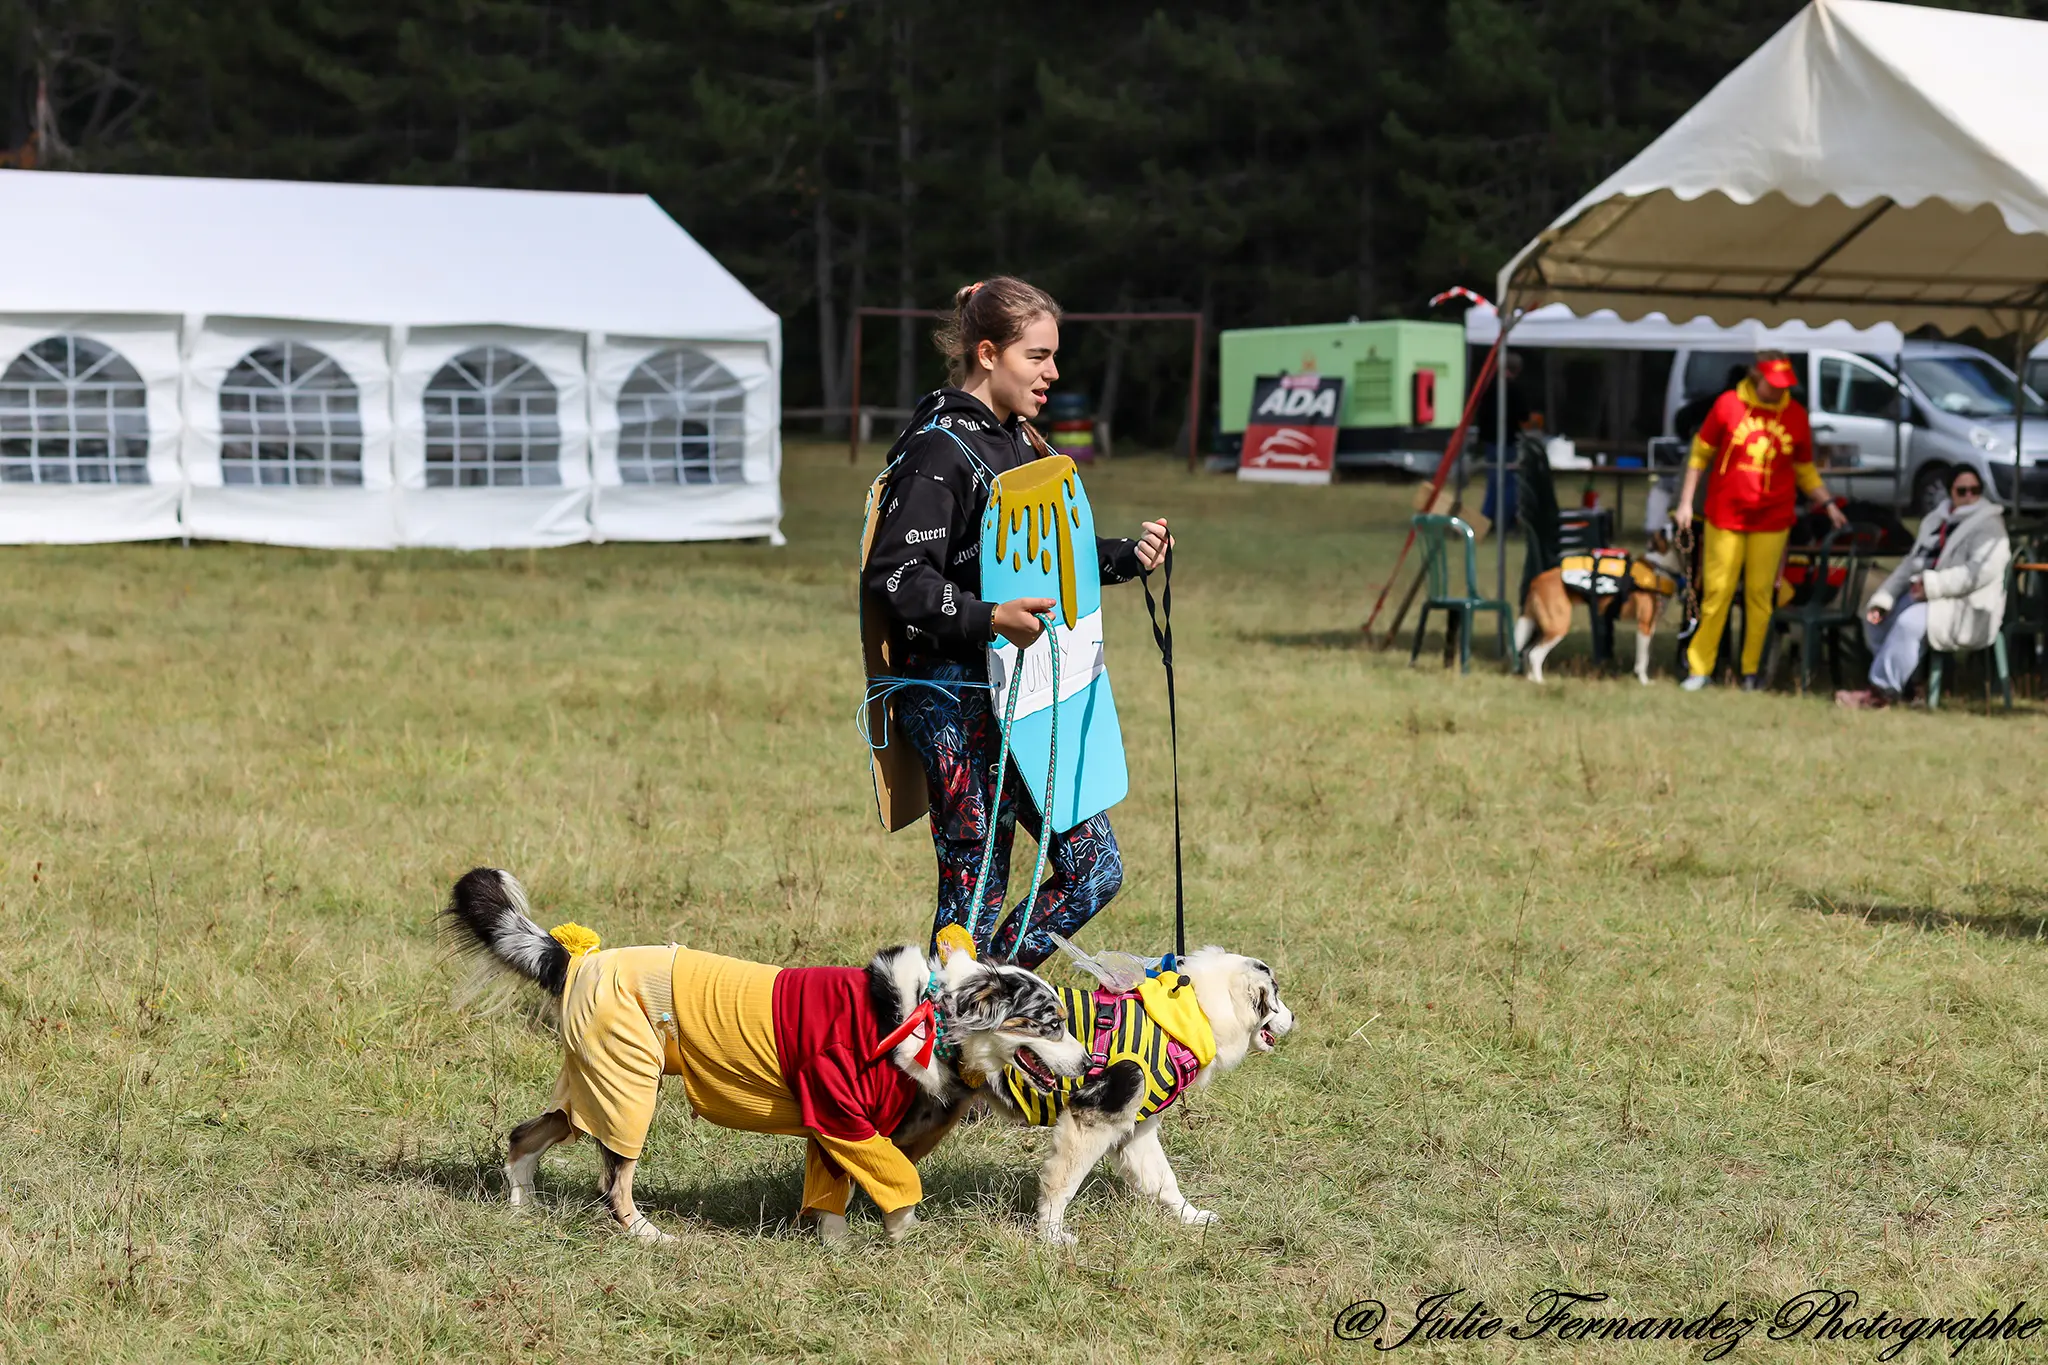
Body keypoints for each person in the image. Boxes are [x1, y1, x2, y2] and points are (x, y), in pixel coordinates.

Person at [863, 277, 1171, 968]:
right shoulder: (939, 448)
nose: (1053, 373)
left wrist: (1127, 557)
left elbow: (1043, 555)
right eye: (1037, 356)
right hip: (950, 695)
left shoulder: (1016, 442)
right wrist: (986, 616)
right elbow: (895, 575)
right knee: (974, 893)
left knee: (1093, 868)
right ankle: (944, 1047)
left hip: (1022, 695)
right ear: (988, 353)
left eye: (1053, 356)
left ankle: (980, 999)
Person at [1673, 350, 1848, 690]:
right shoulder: (1727, 405)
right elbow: (1699, 454)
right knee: (1717, 592)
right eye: (1774, 384)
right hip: (1725, 514)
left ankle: (1752, 671)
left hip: (1772, 518)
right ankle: (1700, 668)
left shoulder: (1796, 416)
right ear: (1757, 377)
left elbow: (1804, 469)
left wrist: (1827, 503)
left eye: (1786, 385)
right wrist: (1684, 503)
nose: (1781, 390)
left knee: (1760, 595)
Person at [1836, 467, 2009, 709]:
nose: (1969, 496)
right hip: (1926, 596)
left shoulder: (1989, 525)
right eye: (1962, 491)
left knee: (1909, 623)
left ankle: (1879, 692)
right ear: (1950, 493)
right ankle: (1909, 687)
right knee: (1874, 619)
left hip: (1965, 605)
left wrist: (1932, 585)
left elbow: (1979, 574)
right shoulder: (1936, 521)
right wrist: (1883, 599)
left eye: (1975, 490)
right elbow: (1910, 564)